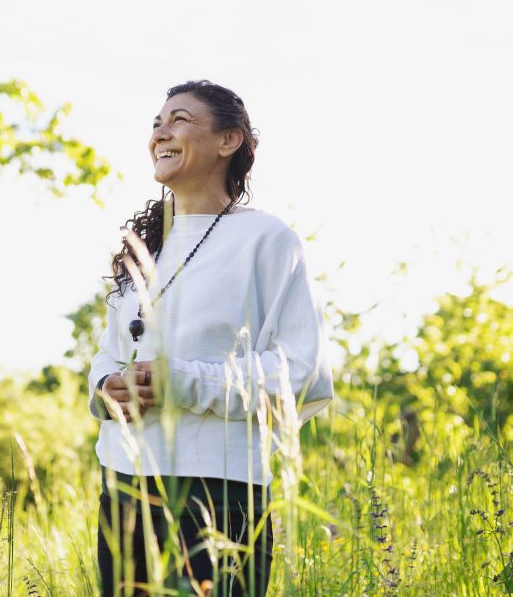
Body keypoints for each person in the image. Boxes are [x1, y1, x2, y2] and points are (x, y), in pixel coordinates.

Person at [87, 80, 334, 597]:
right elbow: (110, 353)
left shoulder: (267, 240)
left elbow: (302, 373)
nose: (161, 132)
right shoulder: (141, 249)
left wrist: (184, 383)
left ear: (229, 141)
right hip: (126, 484)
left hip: (221, 491)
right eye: (156, 123)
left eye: (179, 119)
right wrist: (107, 386)